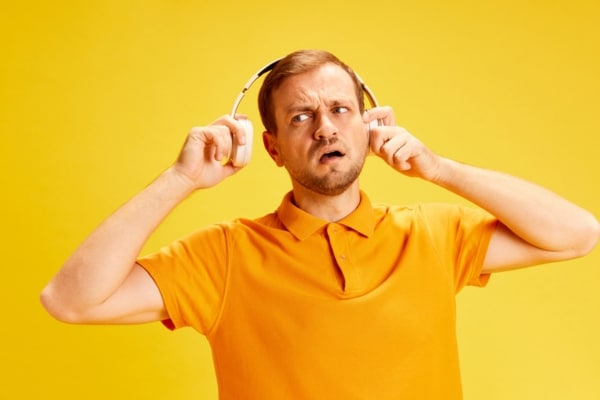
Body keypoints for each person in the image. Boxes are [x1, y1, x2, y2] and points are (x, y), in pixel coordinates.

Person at [41, 49, 599, 399]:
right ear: (274, 148)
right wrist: (181, 178)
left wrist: (437, 168)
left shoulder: (434, 234)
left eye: (340, 110)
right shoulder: (225, 256)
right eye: (301, 117)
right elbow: (70, 300)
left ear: (369, 126)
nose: (325, 129)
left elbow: (578, 234)